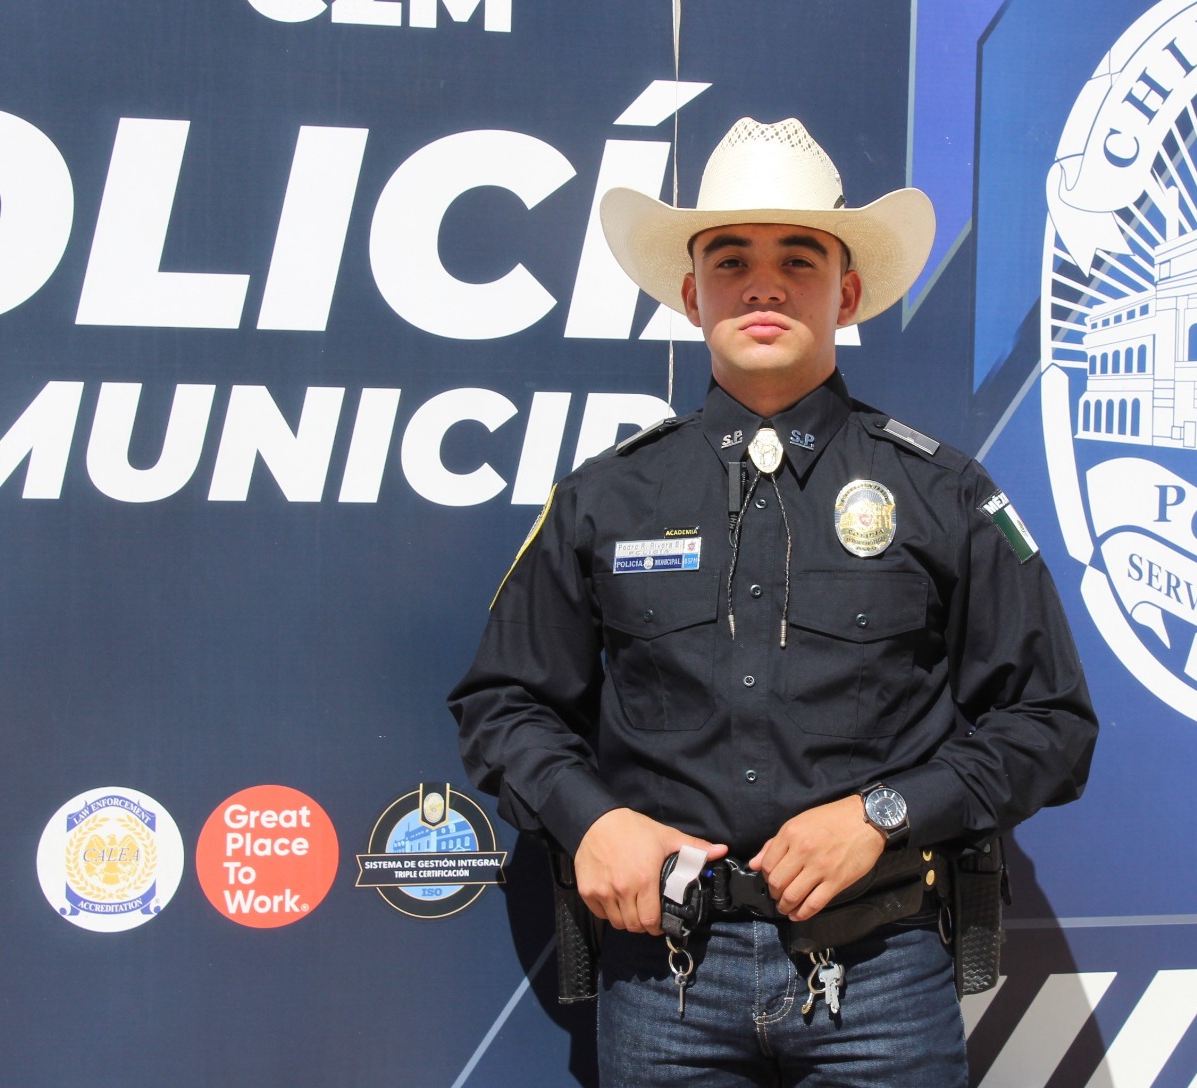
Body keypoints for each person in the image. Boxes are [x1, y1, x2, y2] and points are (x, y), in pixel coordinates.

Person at [449, 117, 1098, 1086]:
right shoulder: (604, 499)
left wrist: (882, 813)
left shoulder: (945, 494)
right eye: (731, 260)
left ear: (846, 292)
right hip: (664, 984)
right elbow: (503, 703)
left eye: (798, 258)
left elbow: (1050, 722)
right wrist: (592, 820)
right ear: (690, 292)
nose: (764, 285)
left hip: (880, 976)